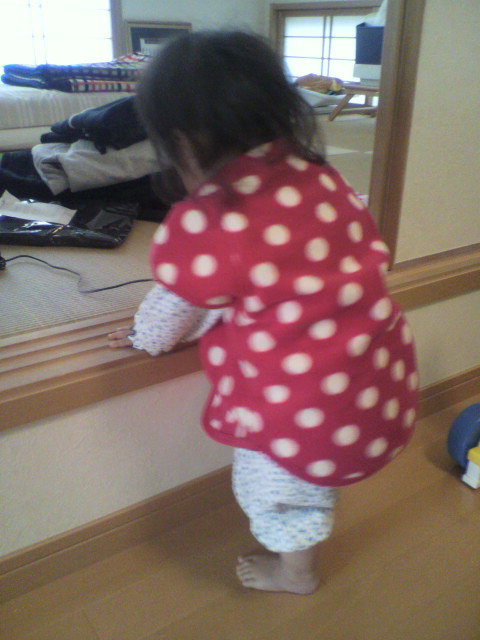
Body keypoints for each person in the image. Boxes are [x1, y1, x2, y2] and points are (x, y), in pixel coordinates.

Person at [108, 30, 418, 595]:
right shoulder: (322, 178)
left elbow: (179, 301)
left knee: (277, 493)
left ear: (177, 140)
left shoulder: (210, 220)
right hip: (372, 373)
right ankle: (309, 519)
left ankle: (296, 573)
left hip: (295, 404)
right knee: (313, 477)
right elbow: (285, 273)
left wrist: (144, 338)